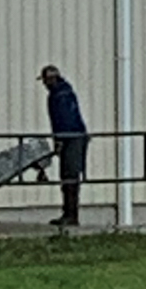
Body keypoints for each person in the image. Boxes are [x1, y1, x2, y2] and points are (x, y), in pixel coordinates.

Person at [39, 64, 89, 226]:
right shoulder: (67, 91)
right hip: (77, 136)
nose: (44, 85)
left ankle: (70, 214)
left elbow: (62, 120)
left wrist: (59, 140)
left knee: (69, 176)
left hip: (71, 137)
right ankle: (70, 212)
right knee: (71, 176)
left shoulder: (57, 96)